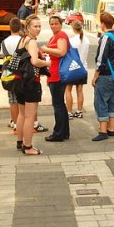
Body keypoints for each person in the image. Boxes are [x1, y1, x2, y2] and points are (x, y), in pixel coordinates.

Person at [14, 15, 49, 155]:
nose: (38, 29)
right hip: (30, 82)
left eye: (40, 26)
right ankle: (28, 147)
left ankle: (20, 141)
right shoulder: (32, 42)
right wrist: (46, 63)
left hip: (19, 80)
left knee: (22, 114)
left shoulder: (23, 40)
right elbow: (34, 62)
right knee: (30, 116)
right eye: (35, 26)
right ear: (28, 27)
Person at [91, 11, 114, 141]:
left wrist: (95, 76)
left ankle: (103, 131)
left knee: (100, 101)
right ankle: (111, 129)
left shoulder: (106, 37)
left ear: (103, 24)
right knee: (112, 101)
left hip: (105, 75)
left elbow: (101, 59)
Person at [42, 15, 70, 143]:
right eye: (51, 24)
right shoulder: (54, 36)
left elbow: (62, 52)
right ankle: (64, 132)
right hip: (53, 73)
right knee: (60, 104)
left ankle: (58, 133)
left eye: (56, 23)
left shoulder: (61, 35)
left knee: (57, 104)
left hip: (58, 74)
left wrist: (46, 49)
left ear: (61, 24)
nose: (53, 26)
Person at [1, 17, 24, 131]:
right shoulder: (23, 40)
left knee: (12, 99)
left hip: (9, 73)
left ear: (9, 28)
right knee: (22, 99)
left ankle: (15, 123)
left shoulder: (4, 42)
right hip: (21, 72)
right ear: (20, 27)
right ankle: (22, 122)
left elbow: (4, 56)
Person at [65, 20, 89, 119]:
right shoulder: (86, 40)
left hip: (73, 67)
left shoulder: (71, 41)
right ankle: (79, 111)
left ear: (73, 28)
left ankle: (69, 112)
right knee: (80, 90)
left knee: (68, 90)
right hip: (83, 67)